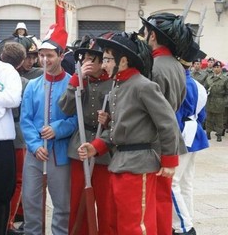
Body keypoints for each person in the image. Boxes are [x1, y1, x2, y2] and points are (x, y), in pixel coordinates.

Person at [77, 32, 180, 235]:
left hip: (139, 164)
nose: (104, 65)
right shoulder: (118, 88)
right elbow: (118, 130)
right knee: (118, 223)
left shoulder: (144, 86)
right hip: (120, 164)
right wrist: (96, 146)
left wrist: (169, 161)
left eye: (107, 59)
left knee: (136, 225)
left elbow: (167, 123)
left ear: (123, 60)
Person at [20, 24, 77, 235]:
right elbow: (25, 119)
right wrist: (35, 145)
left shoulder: (73, 84)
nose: (45, 60)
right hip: (35, 155)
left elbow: (77, 119)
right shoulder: (33, 85)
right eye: (41, 55)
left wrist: (57, 128)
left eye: (50, 55)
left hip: (60, 153)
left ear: (61, 55)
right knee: (32, 203)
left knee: (62, 206)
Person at [140, 13, 193, 235]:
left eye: (145, 33)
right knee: (162, 201)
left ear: (152, 36)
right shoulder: (175, 64)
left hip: (153, 142)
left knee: (153, 204)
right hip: (165, 139)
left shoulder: (156, 66)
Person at [59, 34, 114, 234]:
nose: (87, 63)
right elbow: (65, 107)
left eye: (92, 59)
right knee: (77, 201)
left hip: (104, 150)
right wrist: (77, 80)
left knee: (106, 205)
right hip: (80, 147)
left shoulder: (115, 84)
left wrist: (108, 120)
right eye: (85, 58)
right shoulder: (79, 80)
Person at [172, 41, 209, 235]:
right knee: (186, 182)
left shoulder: (180, 84)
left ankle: (183, 226)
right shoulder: (198, 85)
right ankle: (187, 218)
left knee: (172, 182)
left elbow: (175, 114)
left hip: (181, 133)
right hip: (194, 132)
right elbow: (202, 116)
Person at [0, 24, 22, 235]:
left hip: (1, 144)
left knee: (2, 196)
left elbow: (12, 99)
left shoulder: (6, 70)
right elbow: (3, 101)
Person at [0, 41, 28, 235]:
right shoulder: (23, 83)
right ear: (20, 63)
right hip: (17, 135)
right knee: (18, 180)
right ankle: (8, 222)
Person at [204, 61, 228, 142]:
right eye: (215, 67)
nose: (217, 69)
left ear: (221, 68)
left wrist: (224, 101)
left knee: (219, 120)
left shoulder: (225, 79)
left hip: (220, 101)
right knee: (209, 118)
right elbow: (204, 89)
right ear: (213, 68)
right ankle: (208, 133)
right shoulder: (209, 78)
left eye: (218, 67)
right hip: (210, 100)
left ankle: (219, 134)